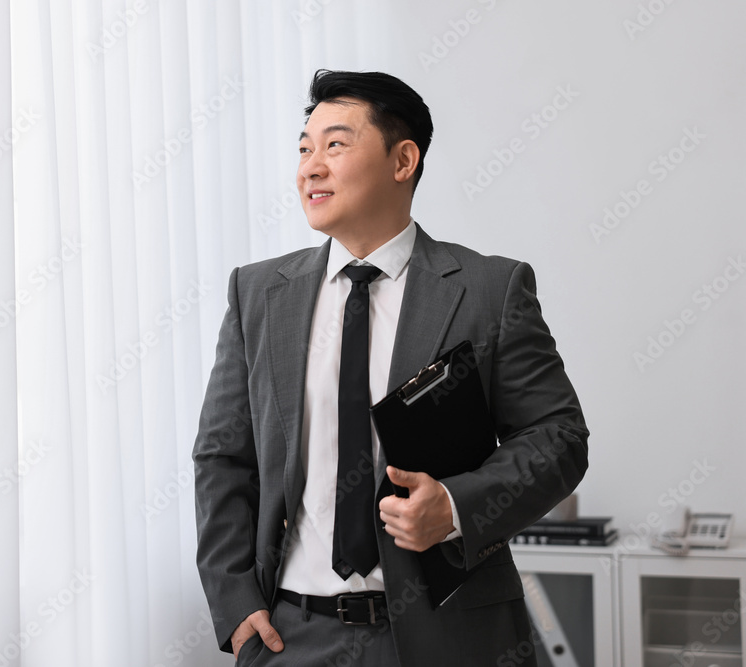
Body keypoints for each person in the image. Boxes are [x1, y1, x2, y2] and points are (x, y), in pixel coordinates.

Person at [192, 69, 588, 666]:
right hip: (292, 636)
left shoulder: (488, 290)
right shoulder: (257, 294)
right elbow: (224, 457)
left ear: (403, 161)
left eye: (335, 145)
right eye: (304, 148)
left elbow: (559, 438)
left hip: (453, 637)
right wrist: (234, 599)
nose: (310, 167)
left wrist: (455, 506)